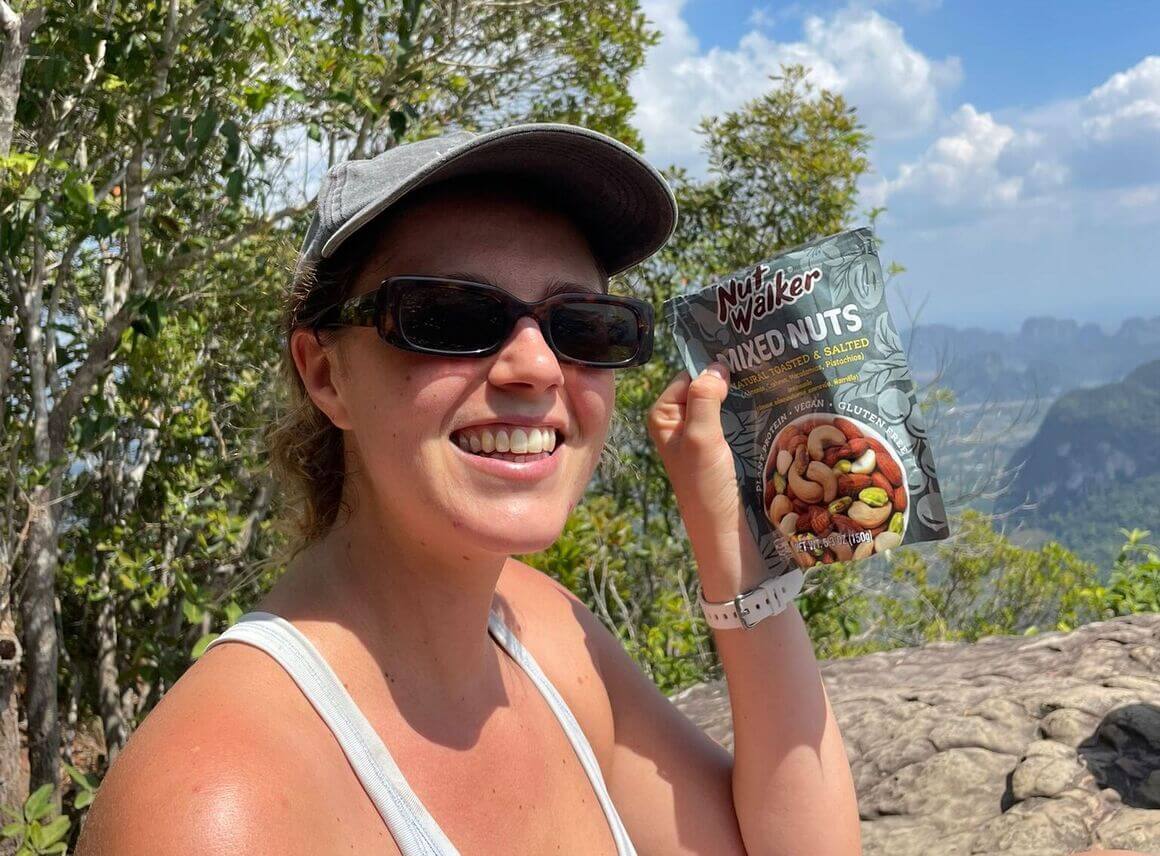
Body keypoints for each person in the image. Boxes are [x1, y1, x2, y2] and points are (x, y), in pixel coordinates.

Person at [77, 124, 862, 854]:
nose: (538, 367)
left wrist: (731, 539)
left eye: (584, 325)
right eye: (450, 316)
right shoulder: (216, 810)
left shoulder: (545, 636)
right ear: (326, 375)